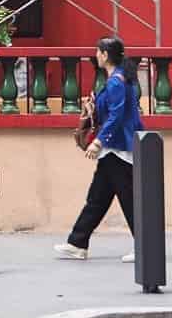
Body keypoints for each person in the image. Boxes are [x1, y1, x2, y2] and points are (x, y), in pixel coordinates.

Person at [56, 36, 143, 262]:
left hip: (117, 147)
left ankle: (144, 245)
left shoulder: (116, 81)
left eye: (98, 52)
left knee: (129, 199)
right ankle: (77, 242)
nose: (96, 56)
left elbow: (117, 115)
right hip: (114, 148)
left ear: (105, 55)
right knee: (97, 198)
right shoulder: (120, 79)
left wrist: (98, 141)